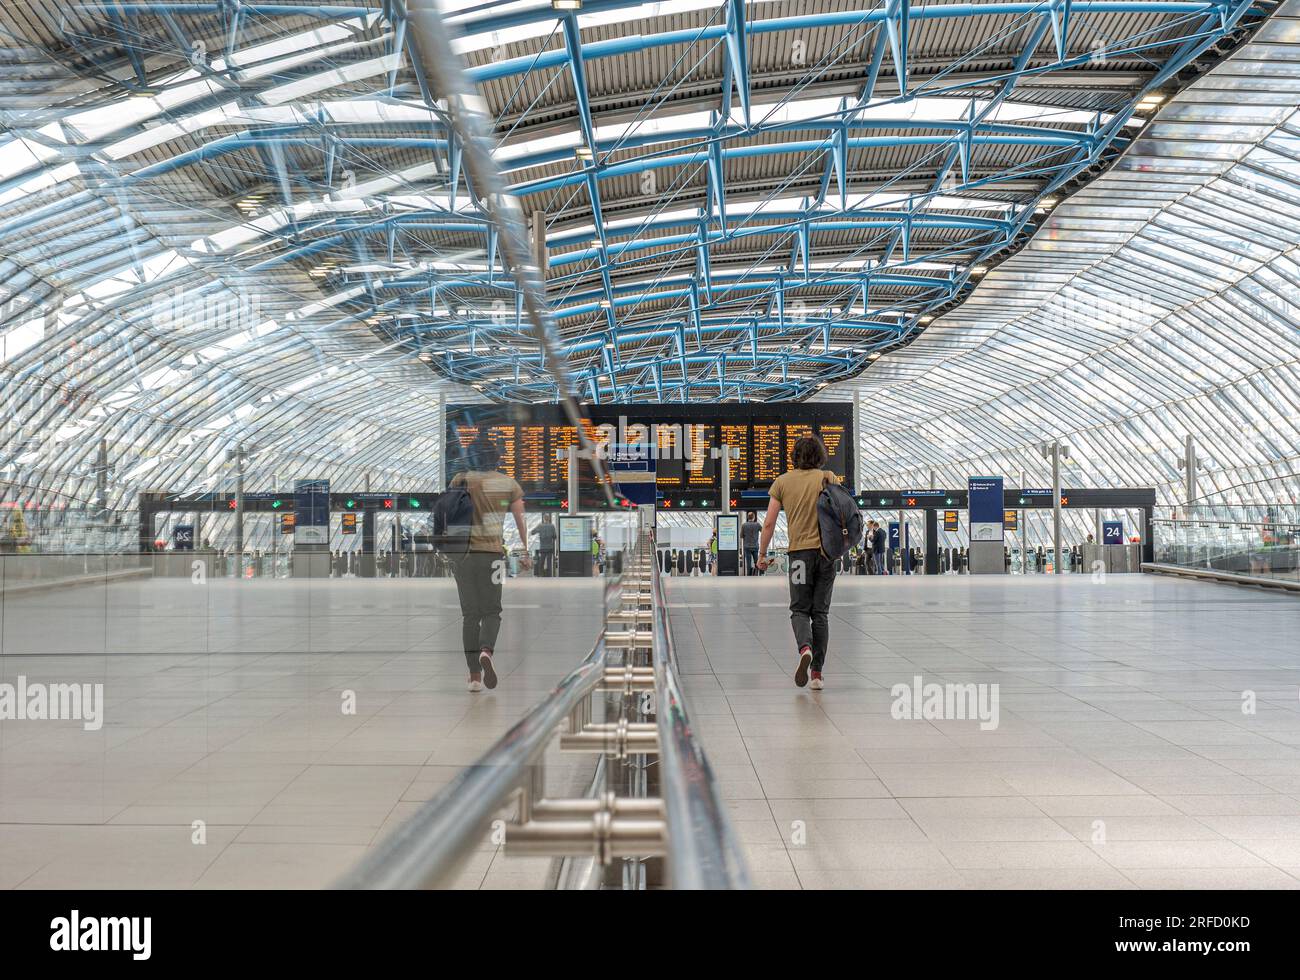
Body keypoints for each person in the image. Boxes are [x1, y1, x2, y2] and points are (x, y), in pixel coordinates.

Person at [756, 435, 838, 691]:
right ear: (820, 456)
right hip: (826, 554)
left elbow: (769, 522)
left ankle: (805, 647)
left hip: (799, 555)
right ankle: (816, 674)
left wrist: (762, 554)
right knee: (821, 614)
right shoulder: (828, 478)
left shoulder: (782, 482)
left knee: (800, 610)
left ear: (795, 456)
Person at [450, 434, 530, 693]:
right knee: (492, 611)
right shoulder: (509, 484)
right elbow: (520, 520)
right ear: (496, 458)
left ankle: (474, 676)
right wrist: (526, 550)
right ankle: (486, 651)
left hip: (463, 557)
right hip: (493, 556)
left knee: (470, 615)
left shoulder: (460, 479)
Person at [741, 510, 762, 575]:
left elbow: (741, 535)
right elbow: (763, 531)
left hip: (747, 546)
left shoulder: (744, 525)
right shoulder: (757, 524)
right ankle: (757, 574)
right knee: (756, 561)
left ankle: (749, 575)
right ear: (754, 517)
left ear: (748, 517)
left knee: (748, 562)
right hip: (755, 546)